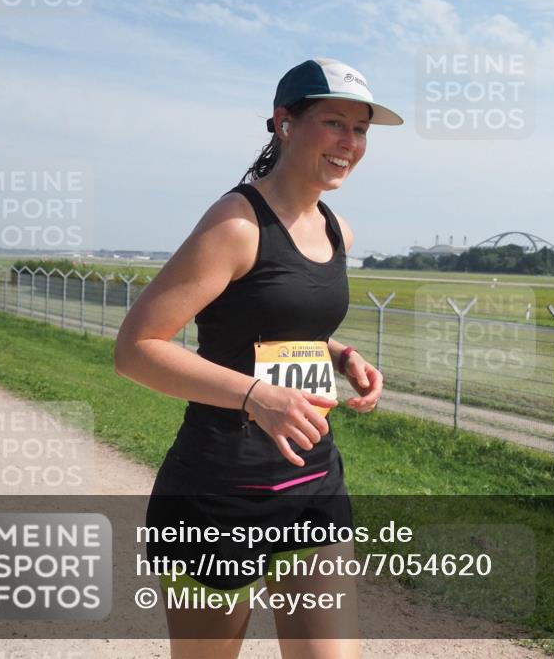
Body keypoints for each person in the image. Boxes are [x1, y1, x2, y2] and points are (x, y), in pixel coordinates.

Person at [114, 57, 402, 659]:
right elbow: (137, 348)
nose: (350, 142)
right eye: (333, 122)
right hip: (218, 494)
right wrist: (256, 396)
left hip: (313, 486)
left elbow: (272, 324)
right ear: (284, 123)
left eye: (361, 128)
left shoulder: (336, 229)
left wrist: (341, 352)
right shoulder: (236, 224)